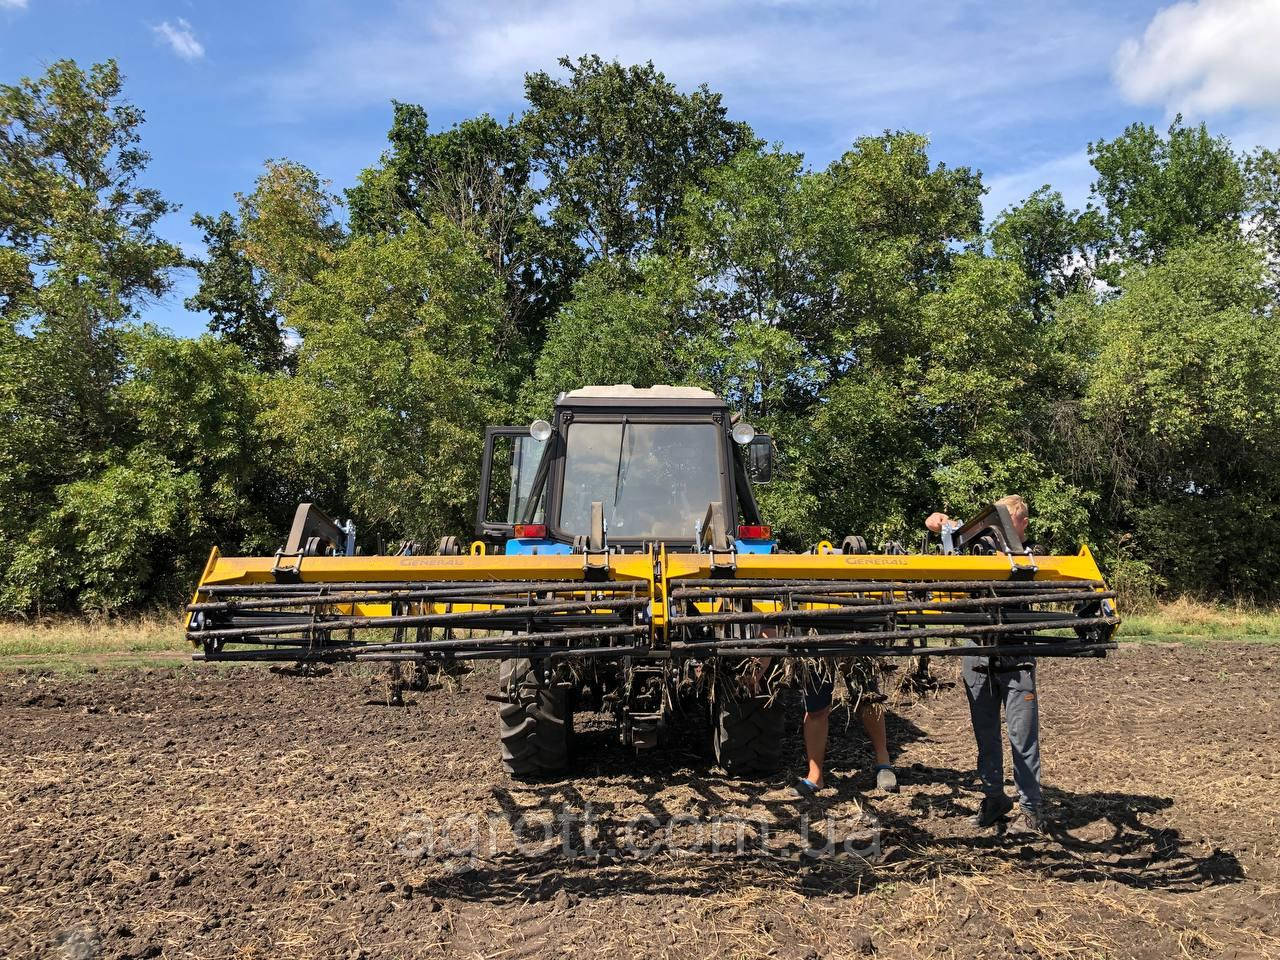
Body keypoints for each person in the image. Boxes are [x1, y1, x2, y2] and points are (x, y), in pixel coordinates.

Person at [926, 495, 1045, 834]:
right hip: (976, 649)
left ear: (1021, 523)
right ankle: (994, 798)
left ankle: (1031, 808)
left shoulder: (1030, 557)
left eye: (1008, 523)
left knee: (1022, 734)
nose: (1001, 532)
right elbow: (939, 524)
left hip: (1016, 651)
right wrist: (940, 522)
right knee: (985, 730)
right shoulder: (976, 551)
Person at [796, 661, 897, 798]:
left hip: (856, 643)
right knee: (815, 709)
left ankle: (883, 762)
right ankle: (815, 775)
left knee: (868, 698)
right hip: (815, 645)